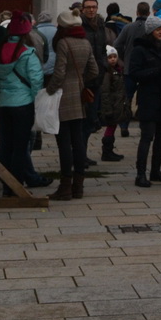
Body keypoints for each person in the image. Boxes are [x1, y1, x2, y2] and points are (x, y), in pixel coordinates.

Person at [0, 12, 44, 195]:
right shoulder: (27, 53)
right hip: (23, 103)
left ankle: (7, 186)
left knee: (5, 146)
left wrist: (4, 91)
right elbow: (36, 80)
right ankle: (16, 186)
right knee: (20, 148)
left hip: (4, 104)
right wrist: (35, 99)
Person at [45, 10, 98, 201]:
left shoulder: (63, 43)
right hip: (79, 96)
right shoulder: (85, 43)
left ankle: (65, 186)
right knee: (78, 141)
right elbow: (94, 70)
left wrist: (49, 90)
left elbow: (59, 73)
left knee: (64, 143)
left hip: (63, 97)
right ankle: (78, 186)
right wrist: (79, 81)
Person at [129, 17, 161, 186]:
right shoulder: (140, 50)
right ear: (150, 31)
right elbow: (135, 74)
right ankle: (140, 174)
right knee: (147, 136)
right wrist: (158, 71)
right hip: (148, 97)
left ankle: (156, 171)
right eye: (158, 29)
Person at [78, 0, 111, 157]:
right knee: (83, 119)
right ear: (83, 9)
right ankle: (80, 155)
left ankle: (82, 155)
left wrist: (103, 65)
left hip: (97, 78)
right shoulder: (79, 26)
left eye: (94, 7)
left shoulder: (100, 25)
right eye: (88, 7)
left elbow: (103, 49)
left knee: (91, 119)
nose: (91, 10)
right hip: (83, 80)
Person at [97, 45, 132, 161]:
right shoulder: (108, 73)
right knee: (110, 127)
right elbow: (105, 92)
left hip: (117, 105)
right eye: (110, 57)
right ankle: (106, 152)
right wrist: (108, 110)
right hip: (112, 106)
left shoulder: (118, 71)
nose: (112, 59)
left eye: (114, 57)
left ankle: (109, 150)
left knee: (113, 127)